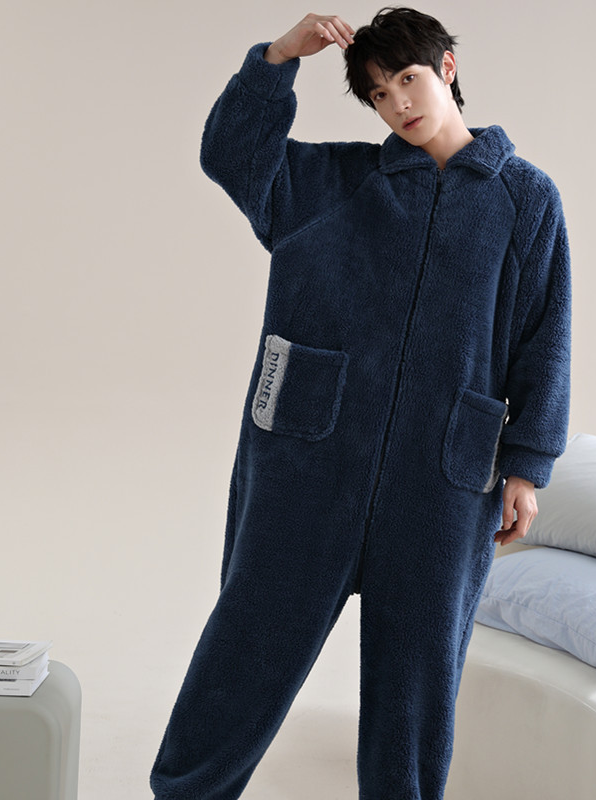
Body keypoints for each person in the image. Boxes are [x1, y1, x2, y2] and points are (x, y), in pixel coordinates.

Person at [151, 7, 571, 799]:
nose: (398, 103)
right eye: (379, 93)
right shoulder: (333, 184)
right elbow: (230, 154)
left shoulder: (525, 200)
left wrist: (526, 466)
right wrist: (280, 57)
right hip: (308, 460)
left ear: (447, 69)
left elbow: (544, 333)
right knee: (248, 647)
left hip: (444, 477)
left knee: (416, 681)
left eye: (408, 79)